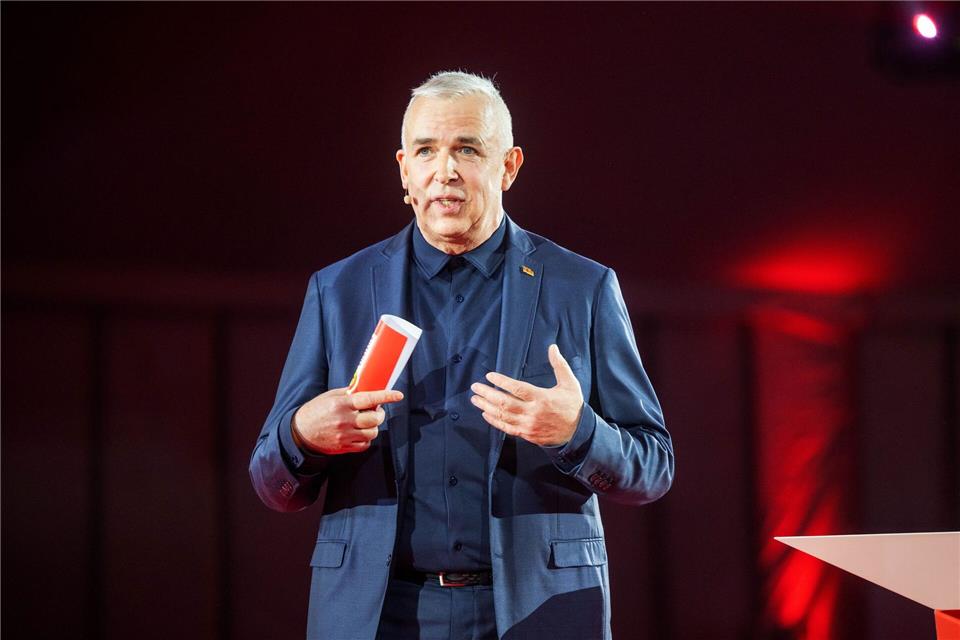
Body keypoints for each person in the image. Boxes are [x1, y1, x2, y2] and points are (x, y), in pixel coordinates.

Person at [249, 71, 674, 640]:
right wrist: (302, 433)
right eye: (426, 150)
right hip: (376, 615)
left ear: (509, 166)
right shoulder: (339, 290)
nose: (444, 170)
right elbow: (269, 481)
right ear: (404, 170)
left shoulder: (582, 288)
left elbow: (653, 467)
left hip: (534, 611)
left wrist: (576, 430)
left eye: (467, 149)